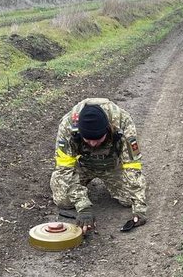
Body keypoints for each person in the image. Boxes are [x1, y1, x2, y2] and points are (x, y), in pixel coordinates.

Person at [50, 98, 147, 234]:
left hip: (112, 165)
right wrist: (83, 207)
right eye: (87, 139)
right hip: (82, 166)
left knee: (128, 200)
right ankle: (78, 188)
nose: (93, 144)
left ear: (108, 129)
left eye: (97, 139)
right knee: (63, 201)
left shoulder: (122, 121)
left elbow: (132, 165)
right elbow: (64, 169)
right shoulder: (68, 126)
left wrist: (139, 209)